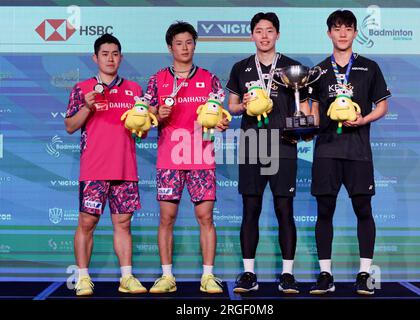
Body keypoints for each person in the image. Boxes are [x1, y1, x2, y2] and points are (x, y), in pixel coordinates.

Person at [308, 9, 391, 295]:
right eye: (337, 28)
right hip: (326, 151)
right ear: (329, 33)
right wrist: (304, 122)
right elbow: (313, 112)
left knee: (363, 210)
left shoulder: (369, 67)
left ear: (356, 33)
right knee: (324, 212)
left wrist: (364, 119)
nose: (342, 33)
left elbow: (382, 105)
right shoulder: (317, 71)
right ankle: (325, 275)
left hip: (358, 151)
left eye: (348, 28)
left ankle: (364, 274)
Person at [226, 12, 310, 294]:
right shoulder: (241, 67)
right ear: (251, 35)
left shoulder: (293, 67)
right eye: (259, 31)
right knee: (251, 210)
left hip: (283, 143)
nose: (264, 36)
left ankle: (287, 274)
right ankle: (248, 274)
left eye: (269, 30)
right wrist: (243, 104)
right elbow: (232, 106)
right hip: (251, 143)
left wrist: (302, 117)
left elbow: (305, 106)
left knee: (284, 210)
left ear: (277, 34)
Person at [146, 21, 230, 294]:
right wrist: (156, 116)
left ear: (195, 45)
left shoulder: (210, 79)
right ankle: (167, 276)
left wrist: (221, 123)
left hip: (201, 156)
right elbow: (142, 120)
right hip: (169, 158)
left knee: (205, 217)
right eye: (179, 43)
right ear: (170, 47)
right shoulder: (157, 79)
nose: (184, 47)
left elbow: (221, 116)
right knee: (166, 218)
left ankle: (208, 276)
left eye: (189, 42)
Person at [64, 34, 147, 296]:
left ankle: (126, 277)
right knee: (86, 222)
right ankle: (83, 278)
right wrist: (88, 106)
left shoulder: (134, 89)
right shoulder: (82, 88)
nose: (110, 58)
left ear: (120, 57)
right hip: (94, 168)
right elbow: (69, 126)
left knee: (123, 224)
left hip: (125, 168)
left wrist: (141, 127)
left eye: (115, 54)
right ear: (95, 58)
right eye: (105, 54)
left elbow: (141, 130)